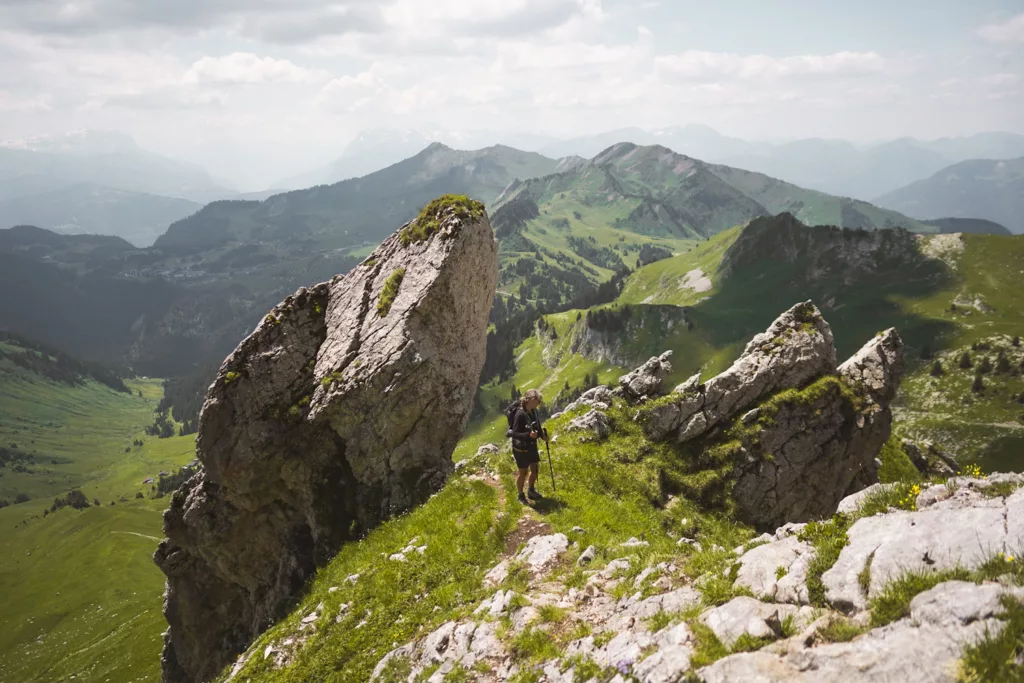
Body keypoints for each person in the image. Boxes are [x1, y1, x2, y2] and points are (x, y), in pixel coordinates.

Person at [510, 389, 546, 505]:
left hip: (531, 445)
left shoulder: (533, 411)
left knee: (534, 469)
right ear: (531, 400)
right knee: (523, 472)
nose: (539, 404)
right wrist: (528, 435)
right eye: (538, 401)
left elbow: (537, 426)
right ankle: (520, 495)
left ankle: (531, 490)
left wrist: (542, 435)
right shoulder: (520, 414)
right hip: (521, 448)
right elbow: (514, 433)